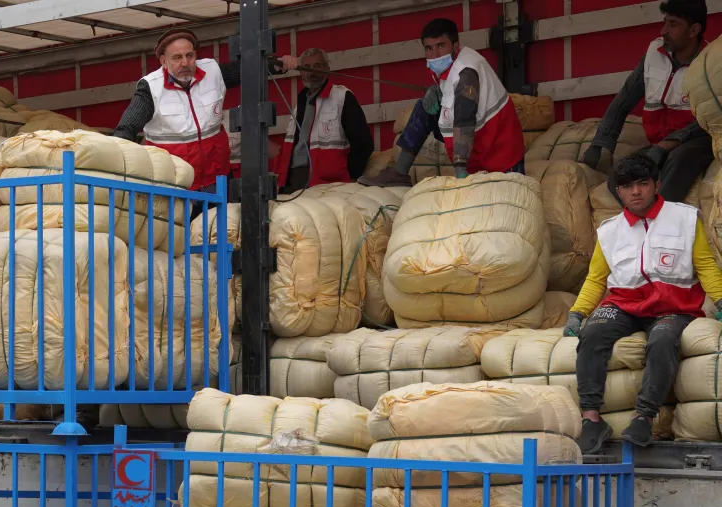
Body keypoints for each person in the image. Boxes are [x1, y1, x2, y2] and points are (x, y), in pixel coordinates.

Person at [564, 154, 722, 452]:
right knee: (593, 333)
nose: (635, 191)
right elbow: (596, 278)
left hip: (674, 307)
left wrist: (721, 298)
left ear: (656, 185)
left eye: (642, 183)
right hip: (624, 304)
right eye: (627, 186)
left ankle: (643, 417)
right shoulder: (609, 230)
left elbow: (705, 265)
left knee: (662, 340)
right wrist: (577, 313)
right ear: (619, 191)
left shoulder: (685, 218)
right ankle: (591, 418)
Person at [112, 28, 298, 192]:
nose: (185, 63)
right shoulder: (150, 88)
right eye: (177, 57)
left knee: (220, 231)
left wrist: (277, 64)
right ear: (163, 61)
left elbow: (248, 70)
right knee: (180, 232)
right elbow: (125, 129)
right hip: (173, 186)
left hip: (217, 181)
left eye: (190, 55)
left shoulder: (213, 71)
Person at [358, 18, 525, 187]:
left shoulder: (466, 72)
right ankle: (399, 173)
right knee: (424, 107)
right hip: (479, 147)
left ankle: (461, 170)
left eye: (440, 46)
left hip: (501, 158)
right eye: (429, 48)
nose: (435, 55)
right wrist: (437, 90)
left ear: (455, 45)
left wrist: (460, 168)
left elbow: (464, 119)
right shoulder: (452, 64)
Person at [580, 0, 710, 203]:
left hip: (695, 142)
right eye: (665, 22)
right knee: (620, 174)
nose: (664, 30)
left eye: (673, 24)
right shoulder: (654, 53)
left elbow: (710, 120)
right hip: (658, 143)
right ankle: (645, 221)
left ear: (694, 30)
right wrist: (600, 142)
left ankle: (661, 219)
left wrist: (665, 146)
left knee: (679, 159)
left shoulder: (710, 63)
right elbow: (625, 98)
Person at [274, 47, 374, 192]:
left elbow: (363, 143)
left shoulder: (342, 97)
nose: (312, 71)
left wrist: (351, 176)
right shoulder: (300, 103)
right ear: (301, 72)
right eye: (307, 67)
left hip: (328, 184)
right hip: (293, 180)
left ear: (327, 69)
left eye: (317, 66)